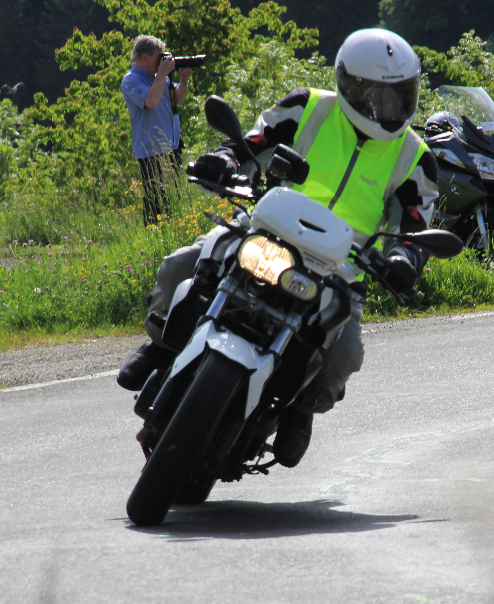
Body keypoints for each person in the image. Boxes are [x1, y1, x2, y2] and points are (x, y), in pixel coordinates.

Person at [118, 28, 439, 467]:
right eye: (374, 96)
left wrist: (404, 257)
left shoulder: (415, 157)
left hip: (339, 267)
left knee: (344, 356)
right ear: (348, 83)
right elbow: (255, 142)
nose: (386, 108)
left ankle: (297, 408)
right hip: (267, 229)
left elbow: (414, 223)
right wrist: (226, 159)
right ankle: (163, 345)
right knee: (182, 265)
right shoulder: (309, 107)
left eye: (398, 96)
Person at [121, 35, 192, 225]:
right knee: (155, 202)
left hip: (171, 147)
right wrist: (161, 74)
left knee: (174, 199)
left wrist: (183, 80)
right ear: (145, 57)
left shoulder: (160, 78)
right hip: (151, 151)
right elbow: (151, 101)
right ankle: (153, 235)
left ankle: (173, 232)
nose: (163, 62)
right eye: (159, 58)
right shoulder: (131, 80)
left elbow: (179, 99)